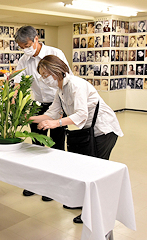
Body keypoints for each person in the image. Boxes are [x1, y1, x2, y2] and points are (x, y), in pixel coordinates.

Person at [32, 54, 123, 223]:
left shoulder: (76, 85)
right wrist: (27, 119)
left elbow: (81, 115)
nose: (44, 80)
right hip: (89, 130)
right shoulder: (60, 90)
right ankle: (83, 203)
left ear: (56, 71)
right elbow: (52, 112)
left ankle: (94, 212)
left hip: (104, 130)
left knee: (95, 172)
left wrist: (56, 124)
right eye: (42, 76)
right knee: (85, 168)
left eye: (45, 75)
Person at [14, 26, 69, 201]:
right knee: (36, 145)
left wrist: (62, 110)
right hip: (37, 105)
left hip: (58, 104)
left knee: (56, 145)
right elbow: (17, 82)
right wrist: (15, 98)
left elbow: (66, 80)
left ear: (36, 39)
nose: (25, 49)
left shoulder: (55, 53)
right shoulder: (24, 60)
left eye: (27, 45)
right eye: (21, 47)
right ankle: (36, 183)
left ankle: (54, 185)